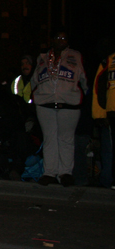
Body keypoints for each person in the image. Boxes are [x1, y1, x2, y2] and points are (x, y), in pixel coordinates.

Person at [31, 29, 88, 187]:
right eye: (58, 37)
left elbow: (84, 79)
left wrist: (84, 96)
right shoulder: (42, 58)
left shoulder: (75, 56)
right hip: (45, 103)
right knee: (49, 138)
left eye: (64, 38)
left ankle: (65, 173)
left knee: (66, 139)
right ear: (52, 40)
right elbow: (34, 80)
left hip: (69, 103)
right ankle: (49, 172)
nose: (61, 40)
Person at [92, 48, 114, 188]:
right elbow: (98, 86)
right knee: (109, 149)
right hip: (112, 112)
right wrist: (100, 114)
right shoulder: (109, 59)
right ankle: (108, 180)